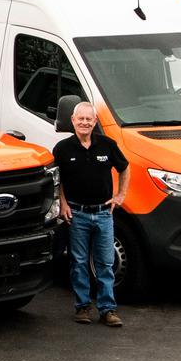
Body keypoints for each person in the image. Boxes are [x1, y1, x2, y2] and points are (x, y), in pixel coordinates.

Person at [53, 101, 128, 327]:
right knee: (79, 262)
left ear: (95, 122)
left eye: (89, 119)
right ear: (73, 121)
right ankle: (83, 307)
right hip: (77, 214)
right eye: (81, 119)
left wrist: (120, 196)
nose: (85, 123)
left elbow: (125, 167)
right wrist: (63, 204)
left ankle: (108, 310)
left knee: (105, 263)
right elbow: (58, 180)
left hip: (103, 213)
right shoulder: (62, 149)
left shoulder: (107, 145)